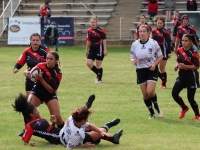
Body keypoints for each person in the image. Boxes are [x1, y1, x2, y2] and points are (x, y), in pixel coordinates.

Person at [12, 93, 123, 147]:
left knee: (87, 129)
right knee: (93, 133)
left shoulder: (39, 119)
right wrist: (29, 144)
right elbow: (25, 140)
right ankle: (107, 128)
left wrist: (53, 121)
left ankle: (112, 138)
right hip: (59, 138)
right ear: (31, 115)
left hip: (59, 132)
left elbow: (49, 129)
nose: (38, 110)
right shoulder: (30, 126)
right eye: (36, 110)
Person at [130, 25, 163, 119]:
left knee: (150, 91)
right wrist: (133, 60)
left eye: (144, 31)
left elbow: (160, 56)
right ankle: (151, 113)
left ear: (148, 33)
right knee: (145, 94)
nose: (142, 33)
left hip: (151, 70)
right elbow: (132, 55)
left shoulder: (153, 43)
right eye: (140, 31)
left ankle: (157, 107)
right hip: (140, 70)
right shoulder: (135, 44)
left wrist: (154, 64)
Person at [27, 51, 64, 128]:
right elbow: (31, 73)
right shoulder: (40, 66)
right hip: (38, 90)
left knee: (57, 117)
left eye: (51, 59)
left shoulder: (57, 73)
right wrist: (27, 73)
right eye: (47, 58)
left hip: (49, 94)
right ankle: (27, 130)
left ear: (56, 60)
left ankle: (64, 133)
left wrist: (41, 79)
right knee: (28, 109)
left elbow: (51, 90)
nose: (48, 60)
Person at [172, 34, 200, 120]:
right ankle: (184, 108)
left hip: (192, 76)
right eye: (182, 40)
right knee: (174, 93)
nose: (183, 42)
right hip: (182, 76)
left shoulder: (194, 53)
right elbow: (178, 60)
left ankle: (197, 115)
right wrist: (177, 66)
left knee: (190, 98)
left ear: (190, 42)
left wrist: (185, 66)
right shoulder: (179, 50)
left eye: (186, 41)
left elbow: (197, 66)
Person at [86, 17, 108, 83]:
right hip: (92, 49)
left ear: (96, 23)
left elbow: (104, 40)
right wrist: (86, 50)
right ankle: (98, 74)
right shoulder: (89, 31)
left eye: (94, 22)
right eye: (92, 22)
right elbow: (88, 41)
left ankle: (99, 79)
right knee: (89, 63)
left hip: (99, 48)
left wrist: (105, 49)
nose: (93, 24)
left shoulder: (101, 30)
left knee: (98, 64)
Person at [151, 18, 172, 88]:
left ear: (163, 24)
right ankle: (164, 79)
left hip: (163, 51)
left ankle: (163, 84)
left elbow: (168, 42)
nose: (159, 24)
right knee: (154, 67)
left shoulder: (166, 32)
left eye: (160, 23)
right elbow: (151, 41)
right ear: (156, 23)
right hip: (155, 51)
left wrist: (169, 52)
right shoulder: (153, 31)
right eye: (158, 23)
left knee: (162, 68)